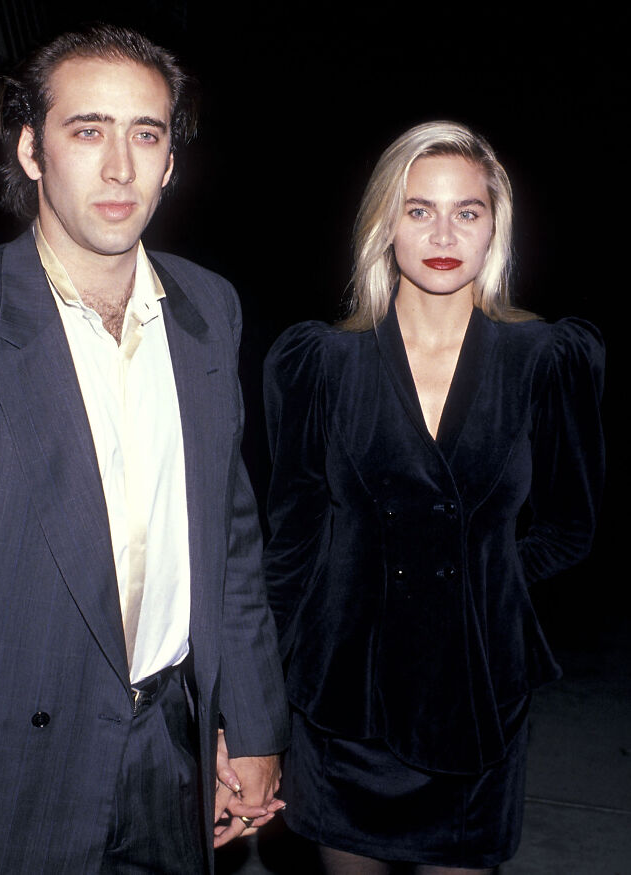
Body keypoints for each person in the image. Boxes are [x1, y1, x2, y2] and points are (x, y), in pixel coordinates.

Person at [0, 22, 288, 873]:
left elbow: (229, 539)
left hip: (170, 748)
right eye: (88, 130)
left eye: (147, 134)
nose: (120, 167)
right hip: (2, 762)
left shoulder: (209, 309)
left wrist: (253, 721)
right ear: (31, 149)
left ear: (172, 161)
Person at [263, 121, 604, 874]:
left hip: (475, 700)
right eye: (419, 210)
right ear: (386, 224)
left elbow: (572, 527)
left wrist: (483, 586)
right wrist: (255, 715)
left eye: (467, 211)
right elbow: (290, 549)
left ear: (494, 229)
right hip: (345, 704)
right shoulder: (322, 362)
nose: (444, 231)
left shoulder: (546, 360)